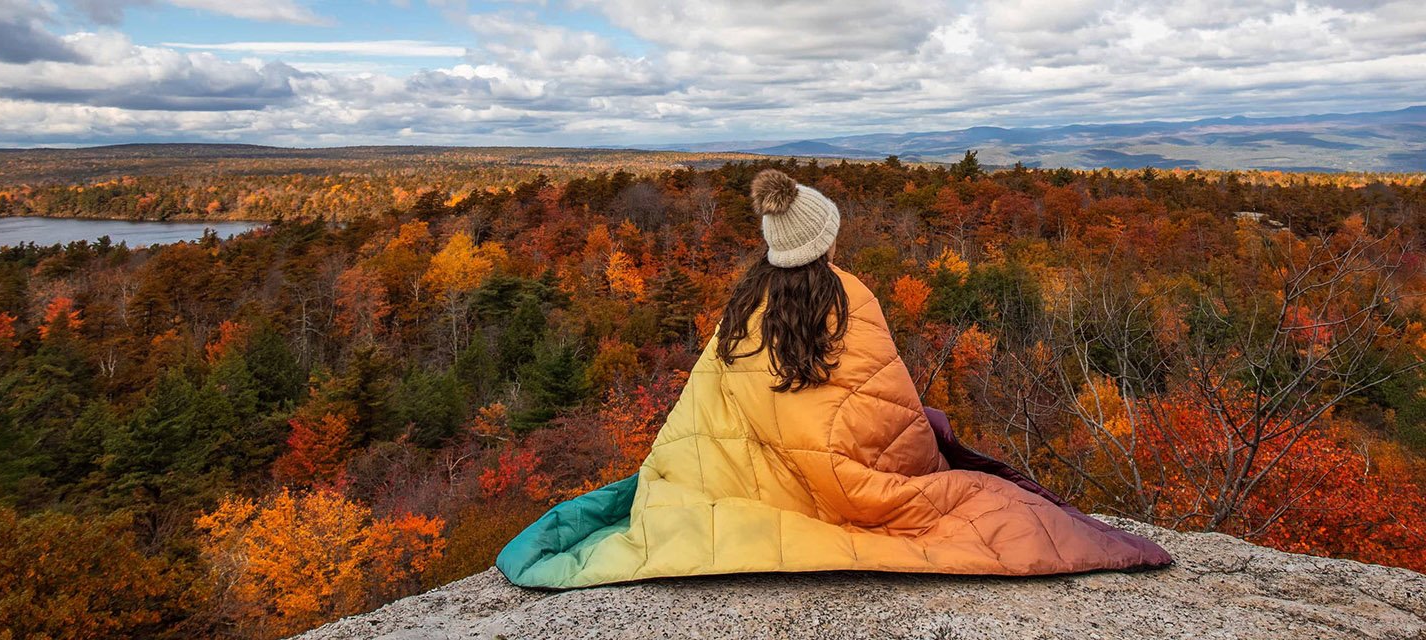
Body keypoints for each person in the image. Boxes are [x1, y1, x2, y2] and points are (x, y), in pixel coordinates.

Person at [497, 169, 1171, 589]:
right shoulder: (851, 295)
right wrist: (922, 448)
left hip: (757, 475)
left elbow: (703, 411)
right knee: (946, 452)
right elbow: (887, 406)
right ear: (825, 239)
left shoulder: (743, 305)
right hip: (855, 478)